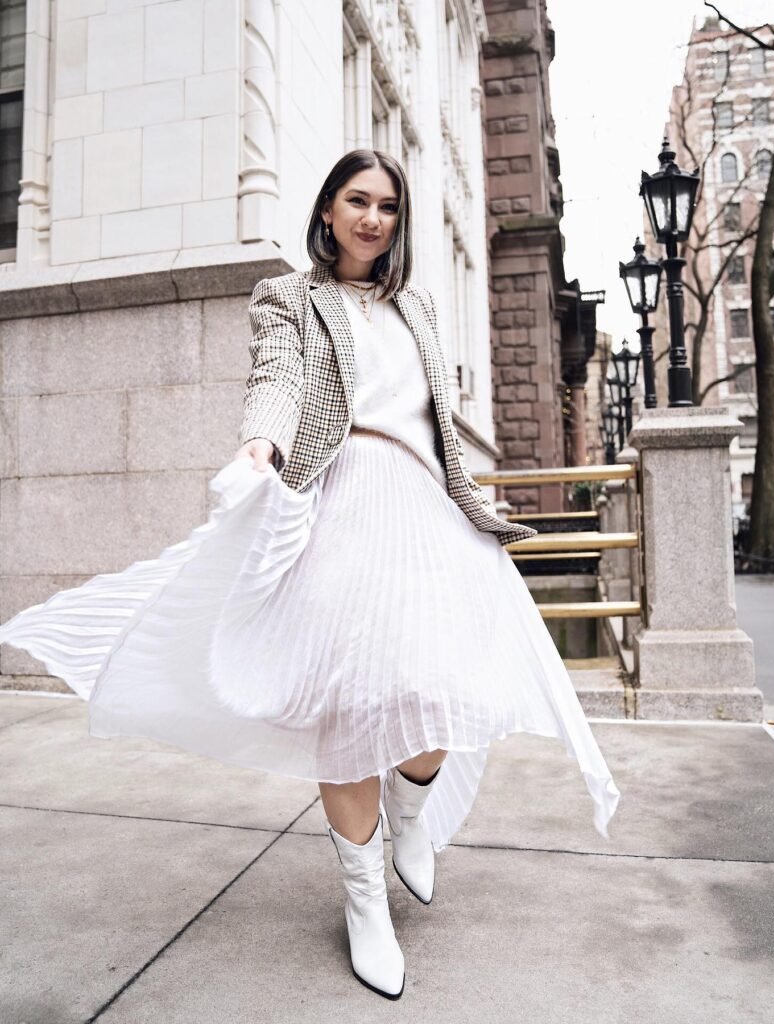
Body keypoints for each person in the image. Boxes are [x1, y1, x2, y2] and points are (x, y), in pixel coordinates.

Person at [0, 149, 621, 1001]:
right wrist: (261, 442)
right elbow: (278, 378)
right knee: (350, 704)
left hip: (426, 505)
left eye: (388, 206)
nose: (373, 218)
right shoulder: (287, 297)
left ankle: (411, 818)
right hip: (339, 498)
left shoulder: (418, 307)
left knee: (437, 693)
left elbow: (437, 422)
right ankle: (365, 901)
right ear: (327, 210)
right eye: (357, 201)